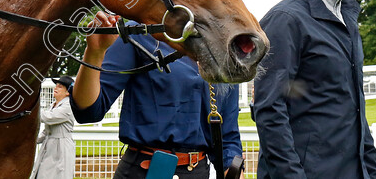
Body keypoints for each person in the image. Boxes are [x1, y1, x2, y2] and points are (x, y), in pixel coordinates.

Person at [252, 0, 376, 178]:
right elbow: (269, 110)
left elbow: (356, 111)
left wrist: (372, 172)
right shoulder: (286, 20)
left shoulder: (348, 18)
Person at [70, 13, 246, 179]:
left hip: (197, 172)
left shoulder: (225, 49)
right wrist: (94, 53)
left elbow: (228, 139)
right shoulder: (140, 33)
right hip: (143, 171)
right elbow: (89, 111)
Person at [31, 75, 76, 179]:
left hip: (62, 147)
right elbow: (47, 131)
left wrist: (30, 112)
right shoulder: (53, 105)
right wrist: (33, 140)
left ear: (67, 92)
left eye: (60, 87)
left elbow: (48, 118)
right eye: (56, 85)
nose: (55, 88)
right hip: (49, 145)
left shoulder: (68, 106)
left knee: (60, 174)